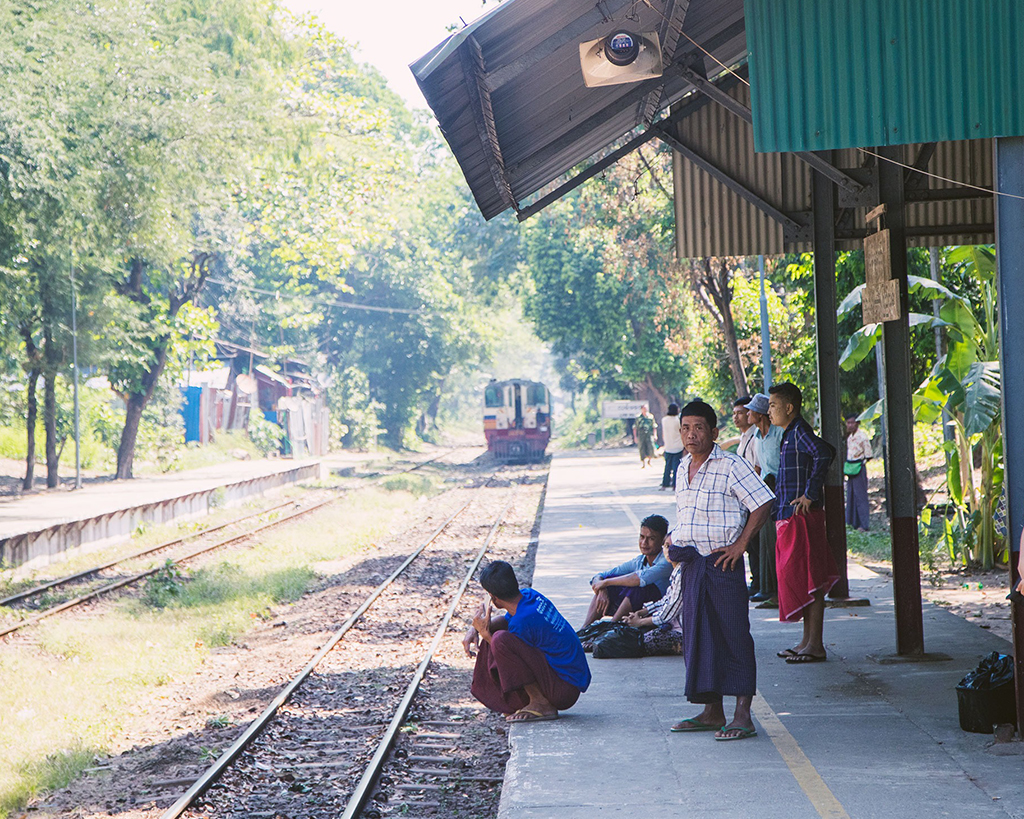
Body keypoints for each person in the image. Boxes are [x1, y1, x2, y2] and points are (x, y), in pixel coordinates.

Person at [664, 400, 774, 740]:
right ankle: (712, 711)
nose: (691, 434)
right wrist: (673, 540)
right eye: (685, 428)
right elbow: (688, 514)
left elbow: (763, 501)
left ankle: (743, 714)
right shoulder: (682, 467)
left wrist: (741, 545)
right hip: (692, 565)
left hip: (722, 563)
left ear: (714, 432)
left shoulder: (730, 465)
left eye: (698, 428)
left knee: (733, 636)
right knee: (699, 637)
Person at [465, 560, 591, 723]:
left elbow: (504, 651)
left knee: (499, 640)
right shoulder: (530, 595)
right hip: (568, 680)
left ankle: (541, 703)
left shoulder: (522, 623)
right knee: (501, 628)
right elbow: (505, 621)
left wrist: (485, 634)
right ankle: (531, 700)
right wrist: (474, 629)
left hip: (563, 690)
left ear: (494, 599)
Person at [768, 382, 839, 664]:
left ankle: (816, 645)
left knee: (813, 580)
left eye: (773, 405)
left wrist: (810, 493)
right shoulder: (789, 434)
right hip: (788, 516)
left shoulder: (799, 432)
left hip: (802, 517)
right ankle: (806, 642)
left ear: (789, 407)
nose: (769, 411)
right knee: (801, 579)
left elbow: (825, 452)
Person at [582, 514, 673, 627]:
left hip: (658, 610)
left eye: (651, 538)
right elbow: (599, 576)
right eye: (642, 537)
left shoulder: (667, 561)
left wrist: (604, 583)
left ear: (662, 540)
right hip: (639, 607)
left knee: (639, 589)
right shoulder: (639, 561)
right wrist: (603, 588)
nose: (644, 543)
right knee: (609, 583)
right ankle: (583, 631)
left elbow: (639, 579)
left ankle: (611, 628)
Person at [745, 393, 783, 606]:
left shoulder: (778, 434)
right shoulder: (757, 438)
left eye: (750, 410)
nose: (748, 413)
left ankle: (776, 591)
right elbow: (759, 467)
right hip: (764, 492)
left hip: (780, 491)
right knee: (765, 542)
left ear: (759, 414)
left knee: (775, 542)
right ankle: (767, 587)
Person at [624, 538, 686, 656]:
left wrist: (640, 622)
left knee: (631, 642)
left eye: (673, 547)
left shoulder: (682, 573)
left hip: (683, 634)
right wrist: (642, 612)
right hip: (672, 626)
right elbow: (666, 600)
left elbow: (667, 614)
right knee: (629, 633)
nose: (669, 550)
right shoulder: (676, 571)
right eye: (666, 546)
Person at [733, 396, 761, 596]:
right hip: (744, 500)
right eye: (734, 413)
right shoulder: (743, 438)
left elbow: (757, 469)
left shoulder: (756, 437)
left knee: (756, 543)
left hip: (753, 498)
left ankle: (760, 581)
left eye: (741, 412)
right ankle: (756, 580)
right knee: (750, 544)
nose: (737, 417)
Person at [844, 414, 872, 531]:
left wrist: (861, 463)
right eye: (848, 423)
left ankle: (864, 524)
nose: (850, 425)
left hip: (859, 467)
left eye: (852, 423)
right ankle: (851, 522)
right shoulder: (850, 437)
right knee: (851, 495)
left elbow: (869, 454)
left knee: (860, 496)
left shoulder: (862, 437)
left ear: (857, 423)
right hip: (850, 467)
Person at [660, 404, 684, 490]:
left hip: (668, 446)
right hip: (678, 446)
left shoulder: (664, 420)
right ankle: (675, 485)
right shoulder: (678, 420)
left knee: (667, 467)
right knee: (676, 467)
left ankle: (664, 484)